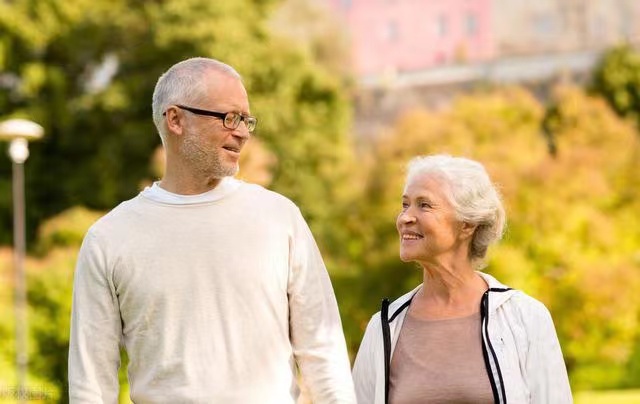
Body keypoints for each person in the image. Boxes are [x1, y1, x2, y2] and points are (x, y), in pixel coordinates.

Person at [68, 57, 356, 404]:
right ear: (175, 119)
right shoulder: (109, 239)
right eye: (228, 117)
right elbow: (91, 385)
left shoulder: (279, 218)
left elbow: (323, 350)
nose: (243, 132)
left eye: (246, 120)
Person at [352, 155, 572, 404]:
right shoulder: (384, 328)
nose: (405, 218)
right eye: (405, 205)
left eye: (424, 205)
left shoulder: (525, 317)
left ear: (467, 224)